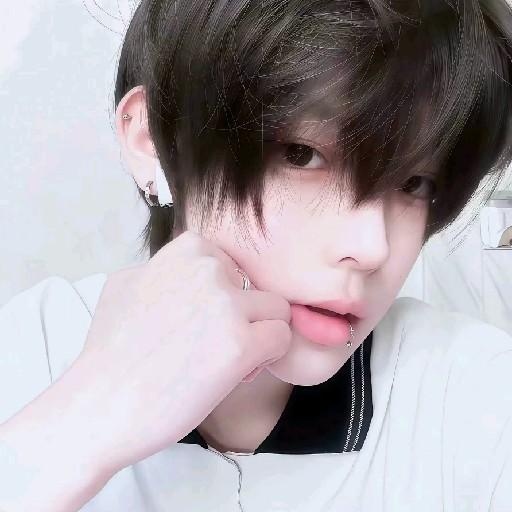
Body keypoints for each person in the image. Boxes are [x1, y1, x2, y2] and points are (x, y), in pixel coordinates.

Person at [1, 0, 512, 510]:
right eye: (302, 155)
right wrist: (83, 424)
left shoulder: (476, 398)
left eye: (415, 183)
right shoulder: (32, 349)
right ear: (150, 136)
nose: (372, 247)